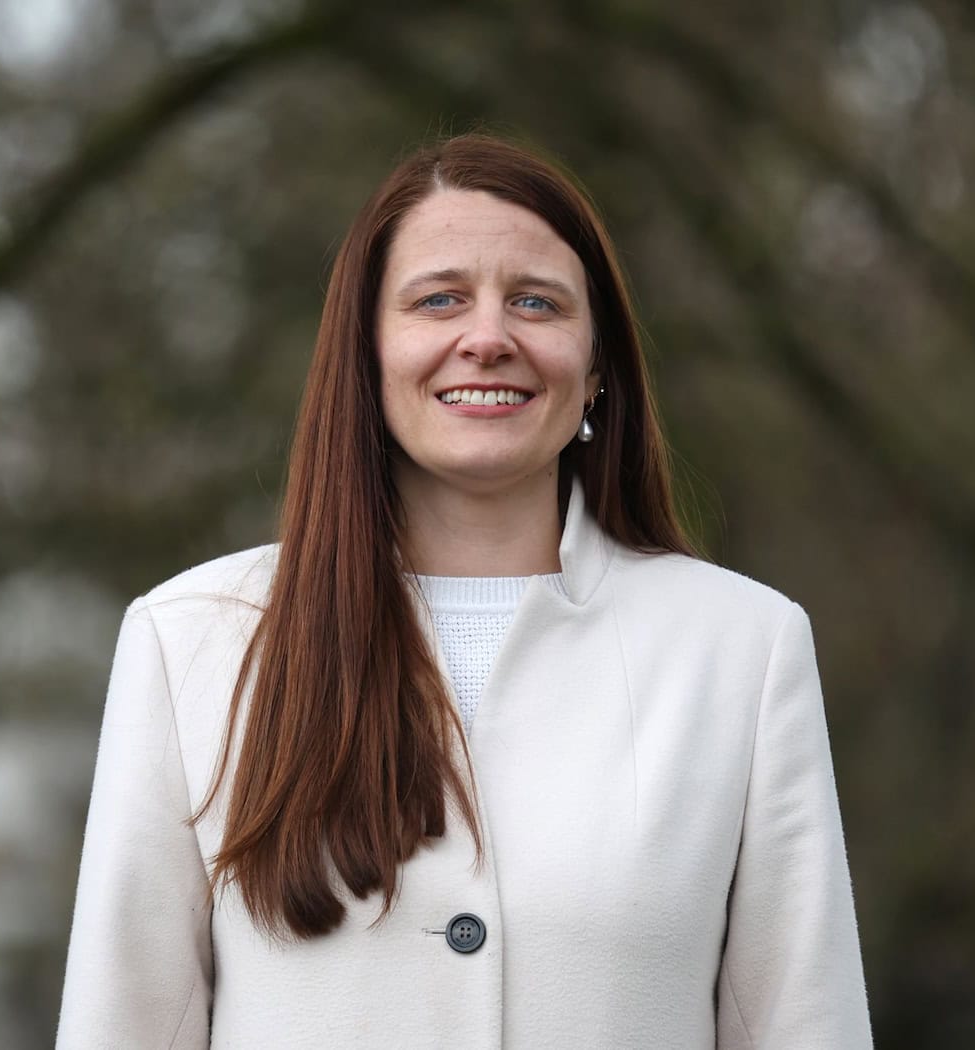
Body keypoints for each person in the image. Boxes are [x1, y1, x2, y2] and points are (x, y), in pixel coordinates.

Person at [56, 133, 874, 1049]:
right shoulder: (191, 643)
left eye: (537, 302)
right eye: (439, 299)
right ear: (366, 353)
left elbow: (804, 1023)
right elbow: (123, 1023)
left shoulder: (743, 649)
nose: (487, 339)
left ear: (598, 367)